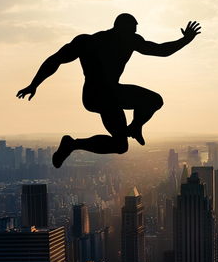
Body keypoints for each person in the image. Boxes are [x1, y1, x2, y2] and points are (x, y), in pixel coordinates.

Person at [17, 14, 201, 168]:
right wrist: (34, 84)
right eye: (133, 30)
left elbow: (160, 50)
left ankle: (80, 142)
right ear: (124, 28)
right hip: (98, 95)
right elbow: (56, 59)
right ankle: (77, 142)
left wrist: (185, 40)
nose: (136, 34)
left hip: (110, 94)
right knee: (150, 103)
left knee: (125, 140)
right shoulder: (89, 41)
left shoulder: (110, 41)